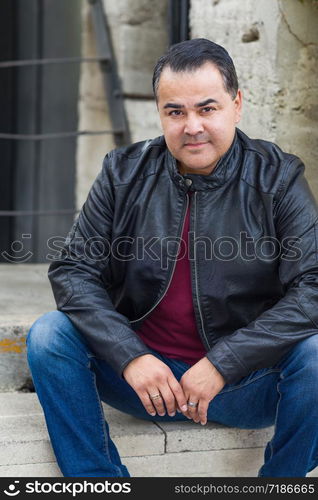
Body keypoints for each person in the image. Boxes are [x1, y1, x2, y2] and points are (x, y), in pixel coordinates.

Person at [27, 38, 318, 478]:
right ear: (160, 113)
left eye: (207, 108)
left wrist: (224, 363)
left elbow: (313, 288)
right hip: (145, 383)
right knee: (50, 335)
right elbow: (73, 271)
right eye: (175, 112)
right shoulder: (122, 172)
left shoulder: (278, 177)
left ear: (237, 104)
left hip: (243, 387)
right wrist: (131, 356)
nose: (192, 126)